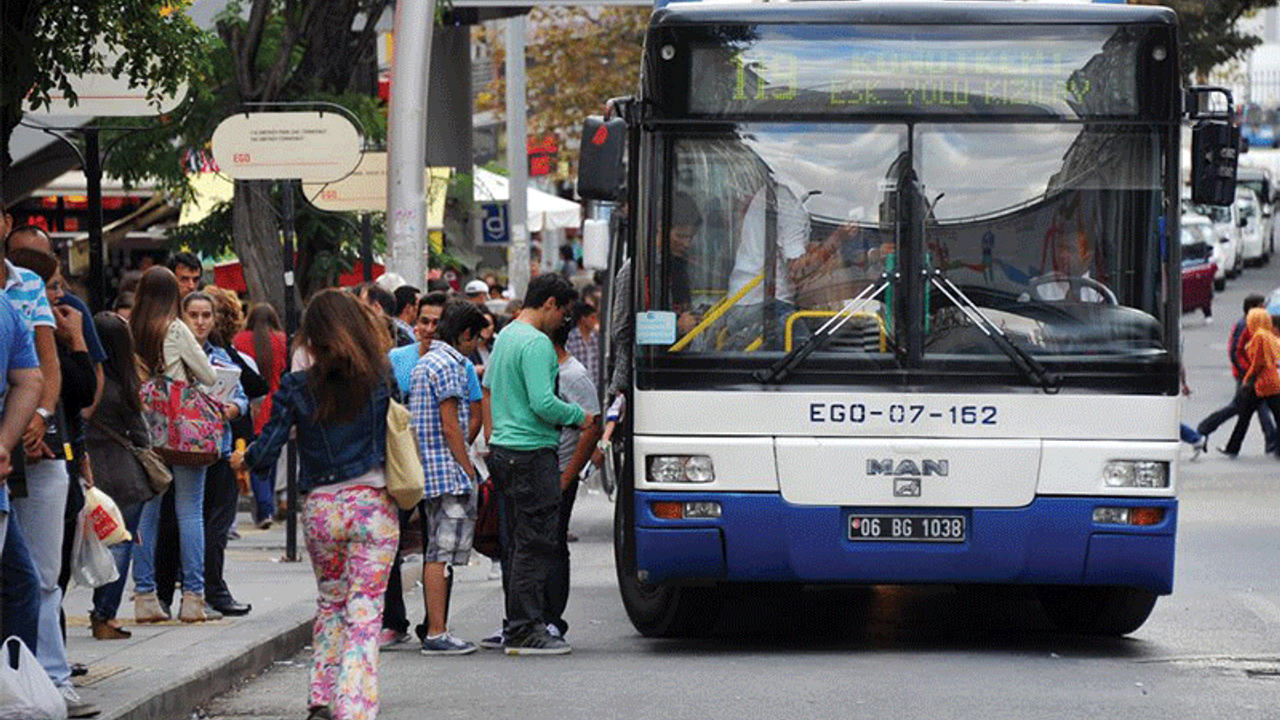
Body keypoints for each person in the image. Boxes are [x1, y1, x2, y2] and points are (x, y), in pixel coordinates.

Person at [232, 290, 399, 720]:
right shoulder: (380, 375)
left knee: (330, 602)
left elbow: (267, 450)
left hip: (321, 509)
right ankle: (353, 704)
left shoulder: (296, 386)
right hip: (372, 505)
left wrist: (244, 459)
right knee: (365, 611)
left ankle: (321, 696)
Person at [482, 273, 592, 655]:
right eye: (562, 314)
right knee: (536, 543)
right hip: (532, 452)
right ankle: (526, 627)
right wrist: (581, 416)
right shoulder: (538, 345)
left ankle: (515, 623)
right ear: (549, 304)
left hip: (504, 451)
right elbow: (543, 403)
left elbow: (491, 390)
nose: (562, 322)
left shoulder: (506, 336)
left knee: (516, 543)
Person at [130, 266, 219, 623]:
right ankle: (193, 598)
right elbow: (209, 376)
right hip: (181, 431)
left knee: (147, 512)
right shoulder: (176, 328)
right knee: (190, 509)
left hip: (145, 430)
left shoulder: (131, 329)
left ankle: (145, 596)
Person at [409, 300, 487, 655]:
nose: (476, 347)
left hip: (427, 468)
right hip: (446, 470)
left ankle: (437, 627)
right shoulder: (453, 364)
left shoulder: (425, 362)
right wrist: (468, 469)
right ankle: (437, 630)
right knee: (439, 556)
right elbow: (450, 424)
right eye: (476, 339)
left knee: (435, 553)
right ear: (465, 334)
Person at [185, 289, 254, 617]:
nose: (200, 322)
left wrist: (232, 409)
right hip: (186, 451)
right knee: (193, 521)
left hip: (220, 448)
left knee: (217, 524)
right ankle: (198, 588)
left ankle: (210, 587)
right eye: (193, 315)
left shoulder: (222, 358)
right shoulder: (175, 356)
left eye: (206, 316)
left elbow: (242, 397)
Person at [85, 312, 155, 640]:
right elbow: (142, 436)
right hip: (125, 477)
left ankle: (99, 608)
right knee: (120, 542)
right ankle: (105, 614)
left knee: (92, 542)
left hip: (90, 474)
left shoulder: (88, 381)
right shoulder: (125, 382)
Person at [546, 303, 602, 638]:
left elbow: (591, 426)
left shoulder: (575, 376)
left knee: (553, 543)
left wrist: (567, 477)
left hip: (560, 472)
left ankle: (553, 619)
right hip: (536, 470)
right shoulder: (540, 372)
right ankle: (525, 618)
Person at [1197, 294, 1277, 451]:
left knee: (1257, 408)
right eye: (1262, 306)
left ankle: (1270, 441)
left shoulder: (1257, 325)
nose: (1265, 309)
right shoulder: (1244, 325)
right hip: (1248, 374)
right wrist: (1247, 372)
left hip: (1257, 374)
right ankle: (1204, 428)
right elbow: (1236, 352)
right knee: (1241, 407)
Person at [233, 303, 288, 528]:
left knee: (253, 454)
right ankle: (269, 506)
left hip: (251, 404)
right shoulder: (282, 340)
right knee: (270, 454)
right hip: (275, 403)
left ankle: (264, 506)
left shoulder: (240, 340)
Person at [1220, 307, 1280, 458]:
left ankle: (1232, 447)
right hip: (1271, 381)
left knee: (1244, 418)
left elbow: (1258, 362)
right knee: (1250, 416)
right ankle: (1233, 447)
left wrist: (1247, 378)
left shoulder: (1259, 336)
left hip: (1261, 382)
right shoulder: (1271, 335)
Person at [563, 300, 600, 383]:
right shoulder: (571, 338)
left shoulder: (596, 338)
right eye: (592, 317)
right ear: (583, 319)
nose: (595, 321)